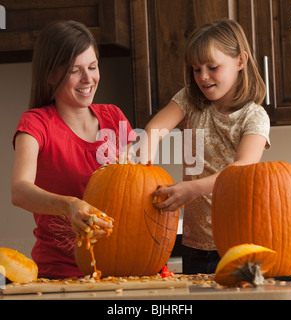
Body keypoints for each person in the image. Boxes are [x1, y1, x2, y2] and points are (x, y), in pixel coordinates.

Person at [11, 20, 136, 279]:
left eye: (92, 67)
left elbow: (133, 189)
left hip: (119, 270)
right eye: (75, 70)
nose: (88, 78)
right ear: (51, 74)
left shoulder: (115, 117)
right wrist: (70, 206)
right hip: (59, 275)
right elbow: (19, 191)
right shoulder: (35, 124)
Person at [144, 19, 271, 274]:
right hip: (195, 245)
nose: (203, 76)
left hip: (238, 245)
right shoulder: (190, 101)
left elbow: (242, 168)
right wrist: (141, 157)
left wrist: (192, 189)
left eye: (212, 67)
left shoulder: (254, 117)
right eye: (195, 69)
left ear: (240, 61)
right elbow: (154, 131)